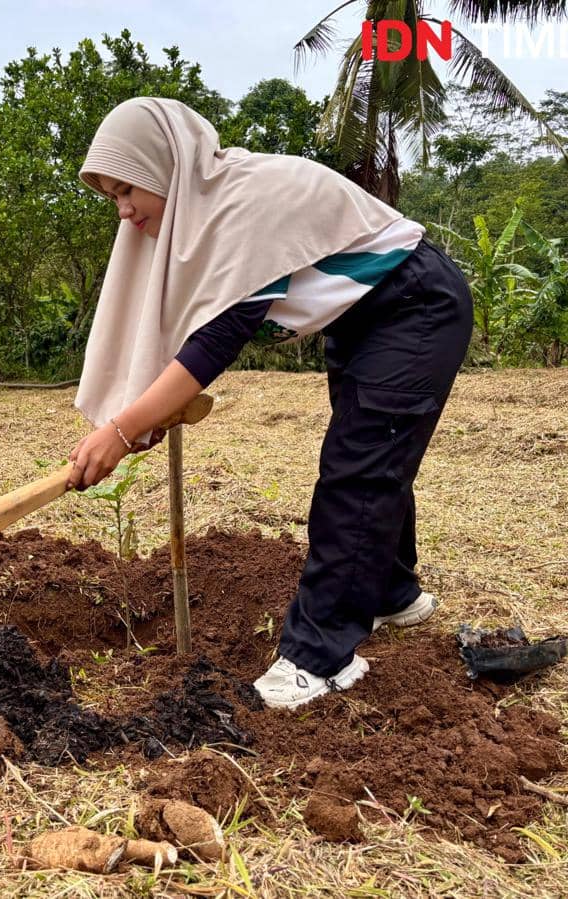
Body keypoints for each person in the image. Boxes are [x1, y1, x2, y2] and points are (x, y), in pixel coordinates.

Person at [66, 98, 473, 710]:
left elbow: (216, 341)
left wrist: (122, 432)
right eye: (111, 199)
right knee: (375, 449)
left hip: (414, 305)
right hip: (361, 321)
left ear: (162, 167)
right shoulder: (201, 213)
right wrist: (140, 415)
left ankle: (320, 655)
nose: (124, 212)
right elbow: (189, 331)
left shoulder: (243, 202)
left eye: (128, 190)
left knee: (360, 468)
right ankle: (391, 592)